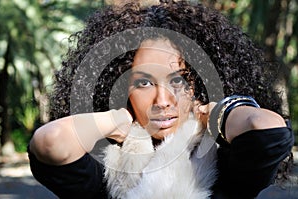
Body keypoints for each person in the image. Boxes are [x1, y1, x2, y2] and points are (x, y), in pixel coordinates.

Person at [28, 1, 294, 198]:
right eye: (143, 83)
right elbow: (51, 142)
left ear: (198, 84)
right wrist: (115, 119)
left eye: (178, 80)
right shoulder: (108, 167)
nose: (163, 100)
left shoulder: (224, 161)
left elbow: (267, 128)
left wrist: (218, 113)